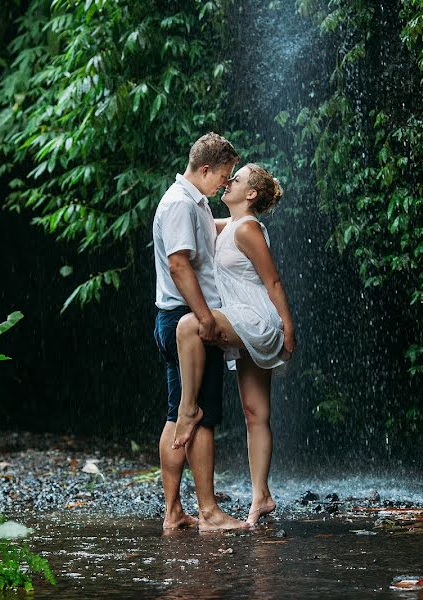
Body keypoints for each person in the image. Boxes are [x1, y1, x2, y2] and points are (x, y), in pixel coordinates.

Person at [171, 163, 296, 527]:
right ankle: (263, 496)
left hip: (256, 317)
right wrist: (186, 193)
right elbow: (201, 227)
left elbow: (273, 282)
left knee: (190, 324)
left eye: (236, 179)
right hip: (241, 318)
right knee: (255, 413)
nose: (228, 182)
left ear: (251, 194)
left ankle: (188, 408)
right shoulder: (231, 226)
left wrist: (289, 328)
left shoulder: (249, 229)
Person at [152, 132, 250, 532]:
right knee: (196, 417)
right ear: (205, 169)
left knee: (180, 412)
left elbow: (211, 234)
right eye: (224, 177)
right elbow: (179, 265)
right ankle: (207, 511)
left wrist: (249, 214)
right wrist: (204, 316)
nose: (225, 185)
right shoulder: (179, 204)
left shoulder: (192, 203)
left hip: (178, 317)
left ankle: (174, 511)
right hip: (185, 320)